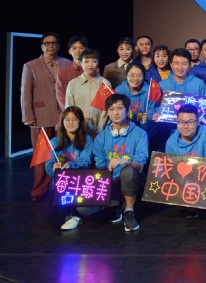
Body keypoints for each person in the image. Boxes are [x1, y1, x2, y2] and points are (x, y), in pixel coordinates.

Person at [21, 32, 73, 201]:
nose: (51, 46)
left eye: (54, 43)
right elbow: (25, 93)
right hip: (40, 116)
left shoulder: (67, 63)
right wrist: (28, 116)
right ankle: (39, 190)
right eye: (47, 43)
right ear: (42, 46)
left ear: (59, 45)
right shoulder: (30, 66)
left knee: (63, 152)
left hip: (63, 116)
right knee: (41, 154)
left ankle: (62, 188)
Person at [92, 95, 148, 232]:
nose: (115, 113)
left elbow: (140, 166)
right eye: (111, 109)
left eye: (119, 108)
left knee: (128, 171)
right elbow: (100, 166)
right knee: (84, 210)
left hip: (132, 179)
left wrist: (126, 162)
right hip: (110, 181)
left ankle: (129, 210)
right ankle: (115, 205)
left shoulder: (140, 134)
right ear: (107, 112)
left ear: (127, 110)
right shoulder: (100, 138)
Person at [165, 105, 206, 227]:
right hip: (183, 177)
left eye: (190, 122)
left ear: (198, 122)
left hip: (205, 173)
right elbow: (171, 169)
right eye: (181, 122)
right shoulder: (171, 142)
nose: (185, 126)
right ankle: (190, 207)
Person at [45, 106, 94, 229]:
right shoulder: (55, 141)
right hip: (60, 184)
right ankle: (70, 215)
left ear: (80, 122)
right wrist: (53, 168)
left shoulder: (87, 140)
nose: (70, 123)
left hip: (79, 182)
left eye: (74, 119)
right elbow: (48, 165)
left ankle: (74, 213)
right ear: (62, 122)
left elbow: (85, 162)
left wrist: (70, 166)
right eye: (67, 120)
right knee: (54, 221)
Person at [65, 49, 112, 137]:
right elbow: (69, 109)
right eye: (86, 61)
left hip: (99, 132)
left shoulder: (105, 84)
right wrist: (76, 128)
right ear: (80, 63)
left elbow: (106, 111)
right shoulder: (73, 84)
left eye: (94, 61)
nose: (90, 65)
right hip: (78, 131)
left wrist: (98, 130)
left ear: (98, 63)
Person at [114, 63, 157, 151]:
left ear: (144, 76)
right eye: (132, 75)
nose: (135, 79)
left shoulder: (150, 91)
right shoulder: (119, 90)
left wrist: (145, 121)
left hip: (147, 133)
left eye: (139, 75)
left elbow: (151, 112)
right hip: (125, 133)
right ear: (126, 76)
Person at [55, 36, 88, 109]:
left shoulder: (95, 70)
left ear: (86, 50)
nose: (78, 51)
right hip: (69, 112)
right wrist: (70, 111)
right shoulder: (62, 72)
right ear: (70, 51)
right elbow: (60, 95)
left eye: (81, 48)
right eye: (74, 48)